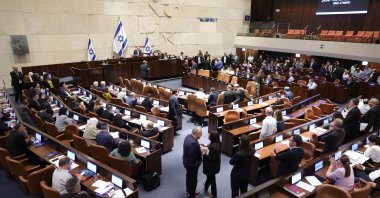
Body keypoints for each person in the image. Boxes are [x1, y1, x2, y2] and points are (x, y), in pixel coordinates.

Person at [183, 127, 203, 198]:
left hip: (186, 162)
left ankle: (189, 191)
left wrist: (198, 148)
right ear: (197, 133)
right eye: (201, 134)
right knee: (193, 180)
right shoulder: (193, 143)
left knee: (188, 178)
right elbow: (192, 159)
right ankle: (191, 195)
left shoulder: (188, 136)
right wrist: (201, 158)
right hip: (191, 166)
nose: (201, 136)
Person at [203, 131, 221, 198]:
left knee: (212, 180)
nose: (208, 135)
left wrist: (204, 154)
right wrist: (208, 146)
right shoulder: (218, 143)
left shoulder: (213, 147)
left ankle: (214, 194)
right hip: (215, 165)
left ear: (212, 137)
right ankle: (206, 187)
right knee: (211, 178)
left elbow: (211, 157)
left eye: (209, 135)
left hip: (211, 167)